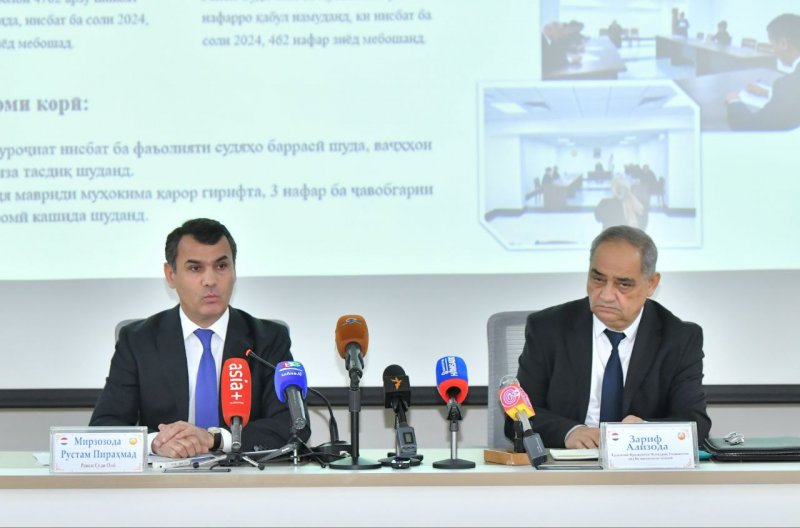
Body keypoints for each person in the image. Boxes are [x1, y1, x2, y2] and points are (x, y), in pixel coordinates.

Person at [90, 218, 310, 458]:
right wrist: (155, 443)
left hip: (244, 476)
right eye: (195, 268)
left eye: (221, 266)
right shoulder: (138, 340)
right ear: (170, 275)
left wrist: (215, 439)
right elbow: (104, 427)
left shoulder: (268, 339)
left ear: (234, 270)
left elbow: (293, 426)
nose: (210, 281)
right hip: (165, 477)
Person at [506, 226, 711, 448]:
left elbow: (695, 425)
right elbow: (517, 417)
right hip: (567, 464)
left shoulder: (679, 338)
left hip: (641, 466)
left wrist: (645, 431)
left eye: (623, 284)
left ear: (651, 284)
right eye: (598, 279)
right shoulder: (548, 328)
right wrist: (569, 432)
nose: (606, 295)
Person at [726, 13, 800, 131]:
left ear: (783, 44)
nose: (773, 51)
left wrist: (733, 101)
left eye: (773, 45)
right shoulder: (789, 87)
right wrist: (769, 92)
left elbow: (750, 127)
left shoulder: (786, 85)